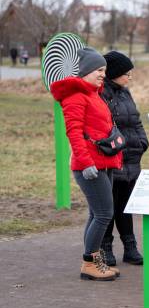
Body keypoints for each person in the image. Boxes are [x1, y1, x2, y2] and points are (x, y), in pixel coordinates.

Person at [50, 47, 122, 281]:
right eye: (99, 70)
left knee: (97, 213)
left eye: (104, 70)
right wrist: (85, 161)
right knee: (104, 214)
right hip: (89, 166)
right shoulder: (75, 96)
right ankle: (89, 264)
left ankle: (94, 261)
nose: (103, 74)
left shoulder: (94, 94)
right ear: (86, 71)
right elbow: (74, 132)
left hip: (104, 162)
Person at [99, 51, 148, 266]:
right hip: (112, 159)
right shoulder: (101, 95)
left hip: (131, 159)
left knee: (126, 205)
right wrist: (117, 148)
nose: (130, 77)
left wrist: (142, 141)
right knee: (108, 206)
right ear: (115, 73)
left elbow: (135, 121)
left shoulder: (125, 93)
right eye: (127, 73)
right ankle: (105, 247)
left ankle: (130, 247)